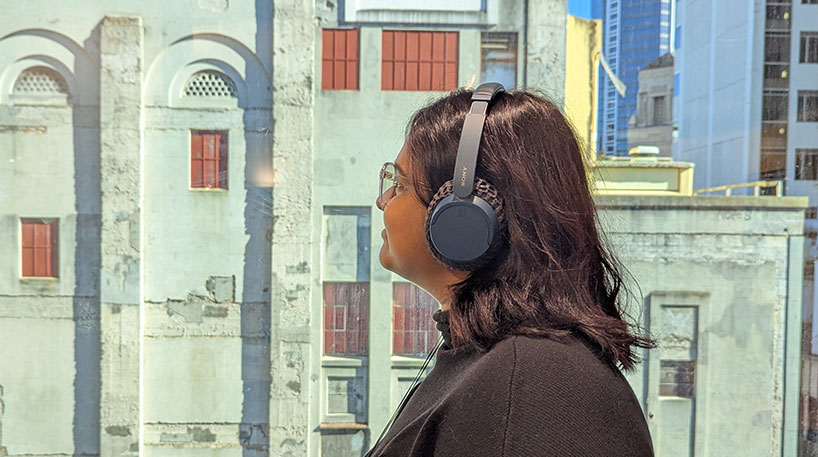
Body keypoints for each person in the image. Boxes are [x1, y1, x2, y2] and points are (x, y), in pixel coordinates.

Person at [368, 84, 655, 457]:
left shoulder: (533, 387)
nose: (383, 200)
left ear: (462, 219)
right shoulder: (493, 363)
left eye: (400, 184)